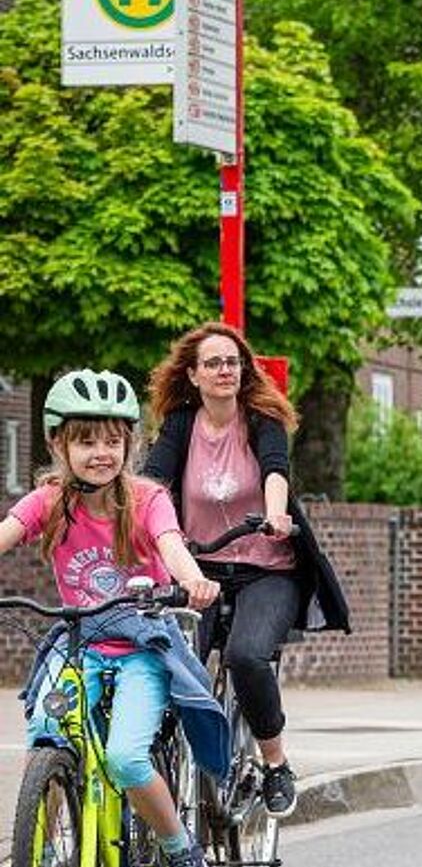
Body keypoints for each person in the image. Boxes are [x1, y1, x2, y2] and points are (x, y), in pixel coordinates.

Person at [0, 369, 224, 867]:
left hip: (140, 648)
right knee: (48, 739)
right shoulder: (49, 501)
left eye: (112, 440)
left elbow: (171, 544)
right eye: (85, 440)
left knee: (125, 757)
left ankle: (179, 848)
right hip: (76, 644)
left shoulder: (146, 499)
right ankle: (41, 862)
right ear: (59, 444)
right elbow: (6, 529)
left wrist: (191, 578)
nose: (101, 452)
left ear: (129, 443)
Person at [143, 322, 350, 819]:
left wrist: (277, 516)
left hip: (266, 569)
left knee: (246, 656)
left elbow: (275, 469)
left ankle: (275, 763)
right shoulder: (181, 424)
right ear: (192, 374)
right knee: (168, 661)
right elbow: (153, 481)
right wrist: (139, 517)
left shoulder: (261, 419)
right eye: (213, 363)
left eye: (232, 361)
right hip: (199, 570)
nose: (224, 371)